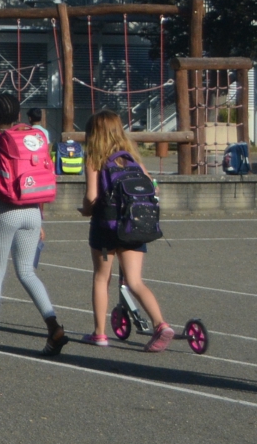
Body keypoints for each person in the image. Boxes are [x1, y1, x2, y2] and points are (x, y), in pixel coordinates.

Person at [0, 92, 69, 354]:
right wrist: (39, 217)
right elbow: (38, 176)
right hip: (33, 209)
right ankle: (53, 326)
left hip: (4, 210)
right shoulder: (31, 137)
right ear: (18, 116)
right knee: (26, 272)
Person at [80, 110, 175, 351]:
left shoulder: (94, 159)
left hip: (106, 228)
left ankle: (99, 333)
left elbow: (92, 196)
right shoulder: (132, 159)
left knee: (102, 278)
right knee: (135, 281)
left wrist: (85, 210)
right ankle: (160, 324)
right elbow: (153, 187)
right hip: (134, 225)